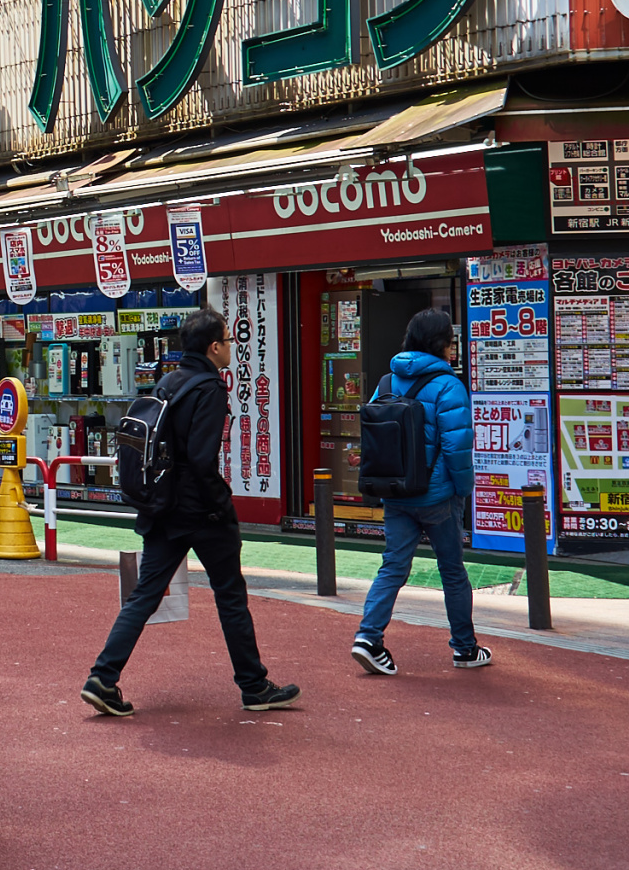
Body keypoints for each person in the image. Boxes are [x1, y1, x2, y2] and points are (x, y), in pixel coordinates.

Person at [81, 308, 299, 718]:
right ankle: (254, 687)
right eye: (229, 342)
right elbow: (202, 461)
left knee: (144, 596)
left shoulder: (169, 382)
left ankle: (102, 677)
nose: (232, 348)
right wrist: (222, 507)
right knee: (231, 596)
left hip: (162, 507)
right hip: (200, 512)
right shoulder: (210, 389)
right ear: (214, 347)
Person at [351, 308, 489, 675]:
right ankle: (464, 648)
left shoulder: (386, 382)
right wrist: (462, 492)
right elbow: (456, 448)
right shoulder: (448, 386)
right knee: (452, 571)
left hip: (396, 493)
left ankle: (368, 637)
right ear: (442, 343)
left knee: (393, 567)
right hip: (437, 495)